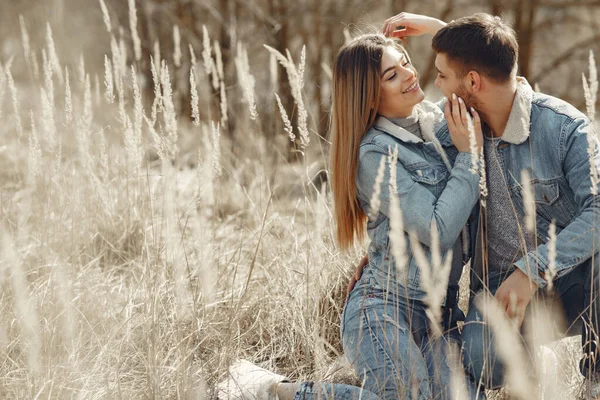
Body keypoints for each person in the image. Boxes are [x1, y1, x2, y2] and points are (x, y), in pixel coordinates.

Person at [218, 32, 484, 400]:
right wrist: (470, 156)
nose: (409, 74)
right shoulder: (373, 154)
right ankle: (269, 389)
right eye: (391, 75)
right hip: (383, 309)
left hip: (438, 315)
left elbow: (485, 68)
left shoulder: (438, 122)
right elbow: (437, 228)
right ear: (369, 97)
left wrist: (430, 24)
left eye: (405, 62)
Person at [374, 11, 600, 398]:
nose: (437, 85)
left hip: (573, 278)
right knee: (483, 366)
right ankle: (534, 369)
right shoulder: (453, 130)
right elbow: (486, 56)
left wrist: (532, 270)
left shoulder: (562, 128)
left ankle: (594, 377)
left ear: (473, 82)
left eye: (442, 77)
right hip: (498, 294)